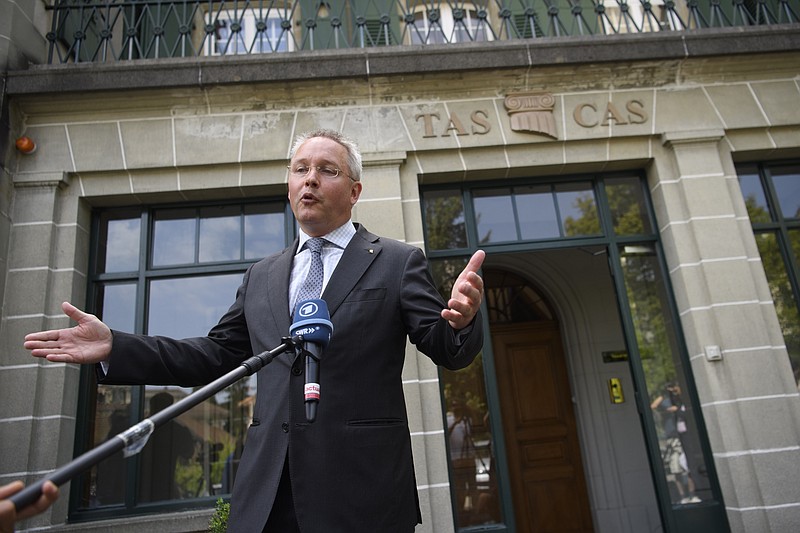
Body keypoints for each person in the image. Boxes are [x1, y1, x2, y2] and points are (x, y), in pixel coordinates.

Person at [24, 129, 485, 532]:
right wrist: (117, 346)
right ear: (289, 185)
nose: (310, 179)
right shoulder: (262, 275)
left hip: (361, 491)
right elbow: (213, 355)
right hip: (267, 493)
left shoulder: (397, 261)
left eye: (327, 170)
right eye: (300, 168)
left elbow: (445, 347)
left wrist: (462, 320)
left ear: (355, 190)